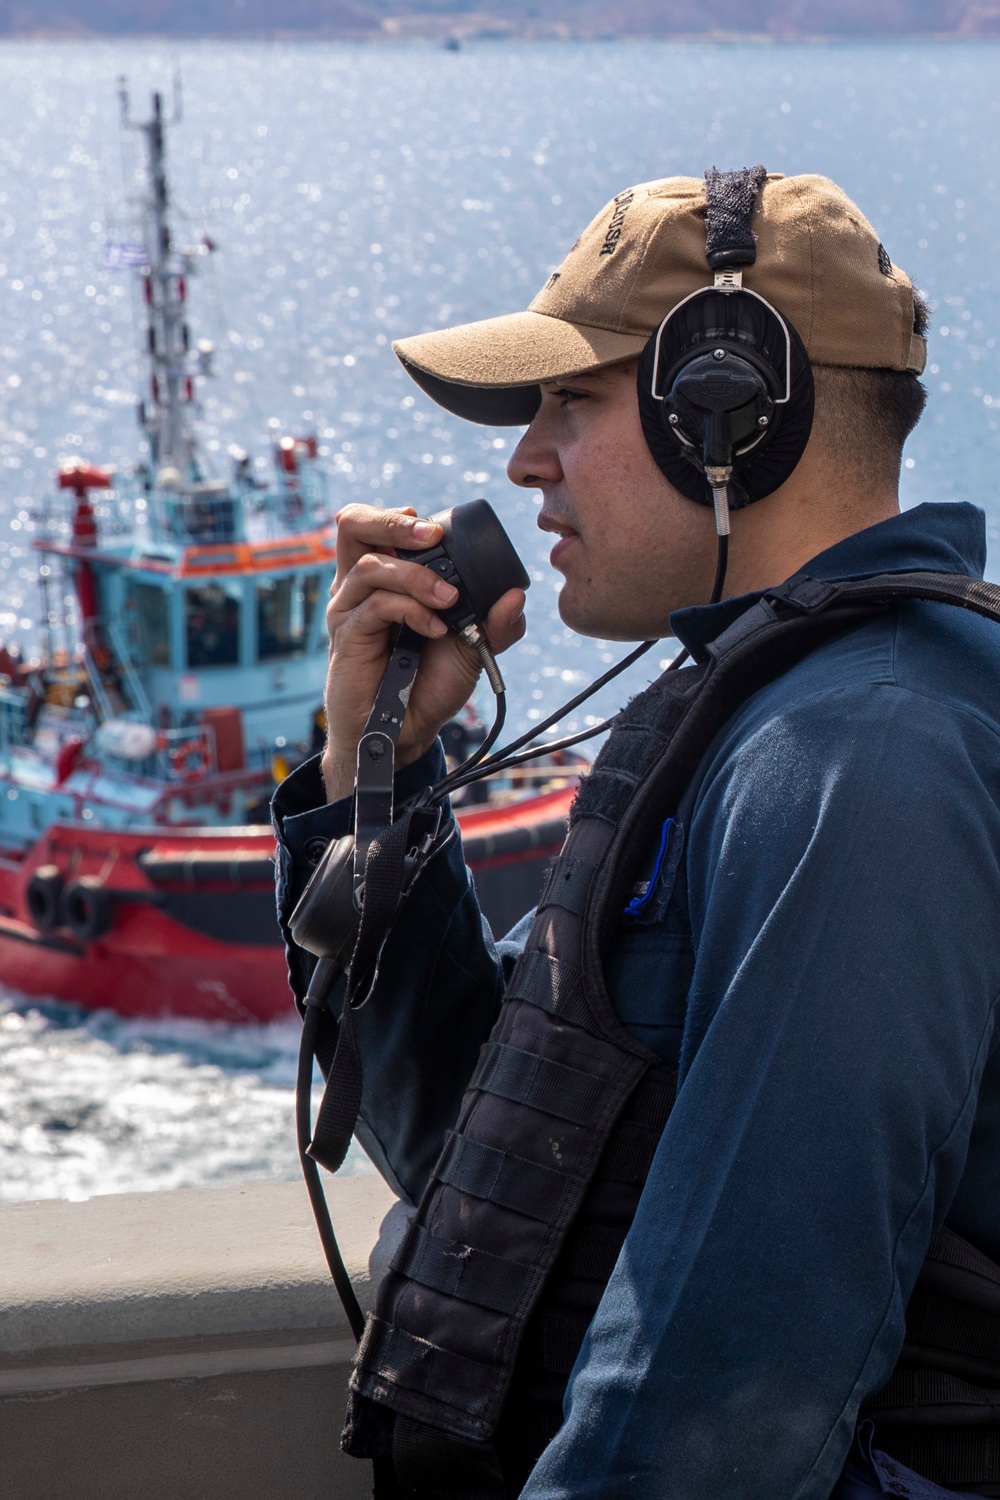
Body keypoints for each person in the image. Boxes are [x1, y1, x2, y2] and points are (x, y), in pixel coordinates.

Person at [272, 170, 1000, 1499]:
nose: (522, 462)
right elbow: (497, 1177)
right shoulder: (756, 709)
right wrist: (376, 766)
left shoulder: (855, 756)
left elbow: (718, 1397)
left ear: (728, 407)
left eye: (570, 401)